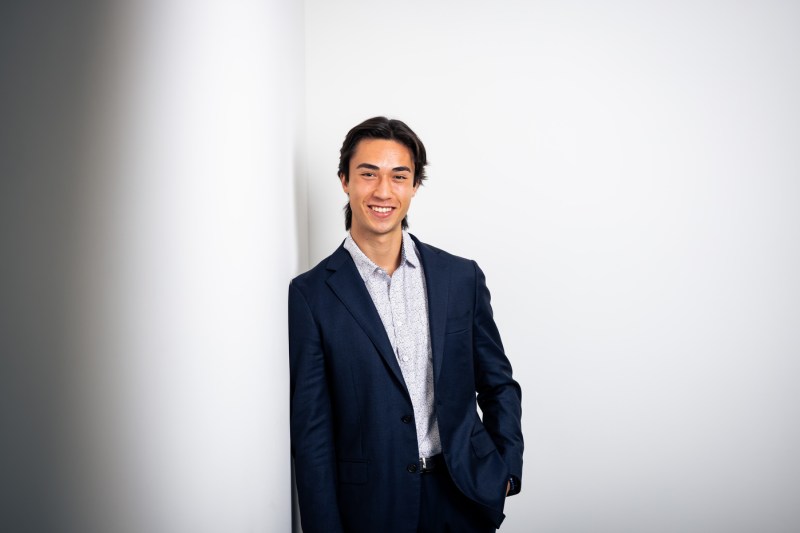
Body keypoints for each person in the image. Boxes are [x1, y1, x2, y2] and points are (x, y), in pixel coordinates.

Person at [289, 116, 523, 532]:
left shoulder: (460, 277)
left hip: (462, 495)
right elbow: (312, 435)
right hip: (371, 506)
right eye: (368, 174)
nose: (383, 191)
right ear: (345, 180)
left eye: (399, 176)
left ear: (415, 185)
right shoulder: (311, 295)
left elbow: (498, 383)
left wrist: (503, 469)